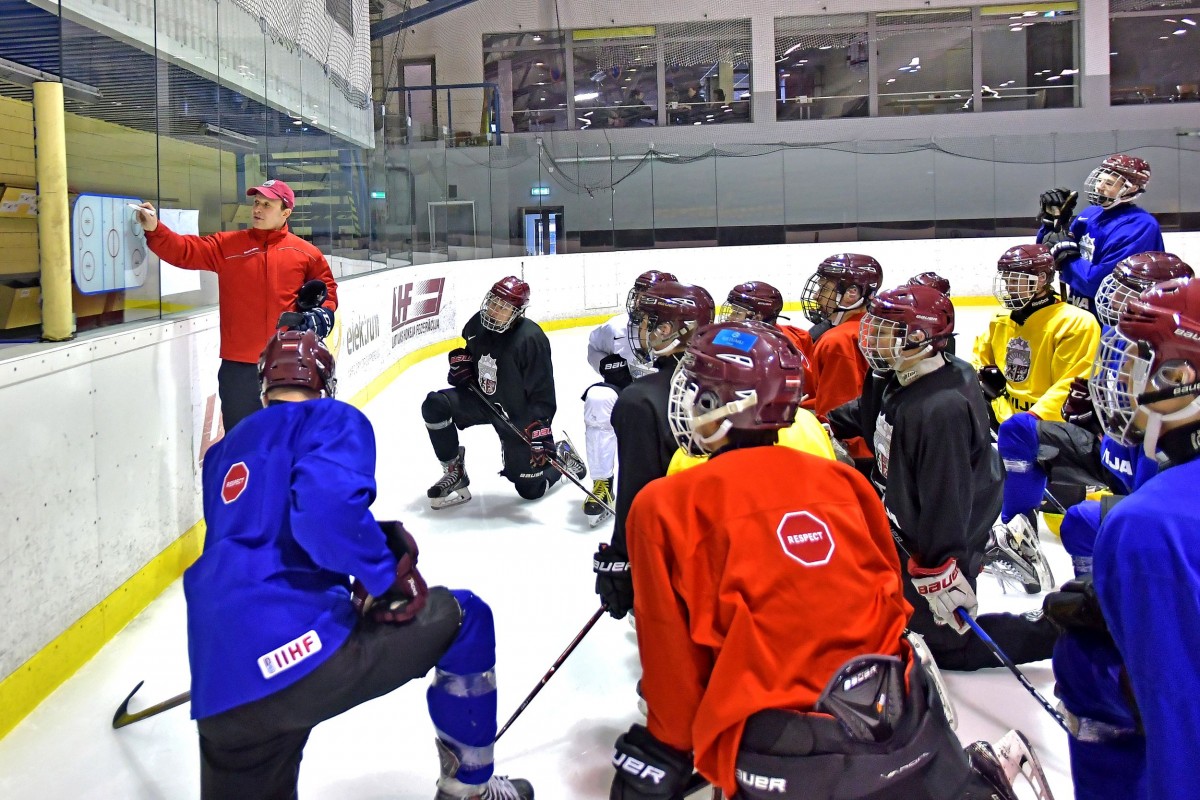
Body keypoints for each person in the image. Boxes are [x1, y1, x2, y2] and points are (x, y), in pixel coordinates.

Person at [610, 319, 1042, 800]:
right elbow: (892, 604)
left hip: (789, 755)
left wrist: (664, 749)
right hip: (907, 722)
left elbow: (671, 665)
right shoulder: (846, 482)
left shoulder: (663, 506)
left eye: (697, 392)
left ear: (722, 406)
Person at [184, 329, 532, 800]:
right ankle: (468, 788)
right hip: (299, 650)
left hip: (219, 682)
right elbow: (323, 514)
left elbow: (258, 542)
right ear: (324, 386)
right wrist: (385, 577)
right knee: (466, 617)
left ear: (264, 390)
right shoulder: (330, 418)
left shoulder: (220, 455)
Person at [831, 285, 1059, 670]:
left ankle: (1055, 630)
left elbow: (945, 499)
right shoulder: (895, 374)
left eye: (886, 330)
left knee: (948, 643)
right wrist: (827, 423)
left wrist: (941, 570)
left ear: (921, 338)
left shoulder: (941, 410)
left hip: (952, 522)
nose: (871, 338)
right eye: (875, 326)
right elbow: (874, 412)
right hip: (907, 512)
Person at [1046, 275, 1200, 800]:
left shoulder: (1150, 523)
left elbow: (1180, 714)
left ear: (1183, 377)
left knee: (1084, 661)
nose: (1122, 376)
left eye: (1141, 361)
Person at [1007, 252, 1192, 577]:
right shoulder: (1116, 337)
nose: (1114, 299)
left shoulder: (1176, 362)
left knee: (1083, 521)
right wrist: (1093, 417)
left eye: (1127, 292)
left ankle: (1097, 600)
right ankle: (1017, 541)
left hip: (1151, 472)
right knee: (1018, 431)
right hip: (1115, 449)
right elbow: (1119, 405)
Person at [134, 179, 338, 431]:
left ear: (285, 213)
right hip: (239, 369)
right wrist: (155, 229)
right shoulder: (227, 246)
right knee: (241, 439)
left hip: (289, 364)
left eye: (267, 204)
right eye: (256, 202)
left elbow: (327, 291)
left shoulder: (306, 253)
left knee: (286, 438)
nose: (257, 209)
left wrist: (321, 314)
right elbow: (184, 250)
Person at [975, 243, 1100, 593]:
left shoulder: (1075, 322)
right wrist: (990, 391)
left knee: (1062, 524)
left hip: (1051, 429)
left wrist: (1029, 420)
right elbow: (980, 361)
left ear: (1043, 280)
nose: (1009, 286)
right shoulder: (1000, 322)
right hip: (1011, 427)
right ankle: (1021, 552)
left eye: (1018, 279)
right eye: (1007, 278)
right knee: (1014, 510)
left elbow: (1073, 381)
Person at [593, 281, 714, 620]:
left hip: (674, 559)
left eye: (646, 322)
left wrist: (622, 562)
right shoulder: (729, 382)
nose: (639, 330)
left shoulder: (640, 400)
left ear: (667, 330)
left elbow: (638, 495)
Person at [422, 276, 584, 509]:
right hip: (482, 400)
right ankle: (454, 471)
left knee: (530, 490)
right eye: (493, 302)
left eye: (503, 307)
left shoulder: (531, 339)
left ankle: (563, 454)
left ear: (517, 313)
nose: (493, 310)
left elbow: (542, 390)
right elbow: (473, 357)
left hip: (517, 415)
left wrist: (541, 425)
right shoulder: (476, 325)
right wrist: (462, 365)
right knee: (435, 404)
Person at [581, 270, 677, 525]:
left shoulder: (681, 329)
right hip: (626, 392)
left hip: (665, 397)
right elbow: (593, 347)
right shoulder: (615, 328)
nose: (639, 302)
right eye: (639, 295)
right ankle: (602, 482)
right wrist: (605, 366)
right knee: (598, 398)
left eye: (648, 297)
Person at [1037, 154, 1164, 315]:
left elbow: (1100, 285)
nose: (1099, 187)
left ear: (1132, 188)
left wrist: (1066, 258)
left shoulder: (1140, 226)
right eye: (1099, 180)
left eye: (1109, 183)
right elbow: (1046, 254)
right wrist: (1052, 223)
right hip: (1080, 312)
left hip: (1112, 319)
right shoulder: (1090, 214)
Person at [799, 253, 883, 469]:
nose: (817, 296)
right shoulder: (874, 328)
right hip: (877, 448)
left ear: (852, 293)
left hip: (854, 454)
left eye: (824, 288)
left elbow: (838, 411)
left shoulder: (837, 340)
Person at [720, 280, 817, 406]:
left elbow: (807, 388)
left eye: (737, 312)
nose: (730, 317)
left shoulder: (775, 348)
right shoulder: (797, 334)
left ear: (757, 317)